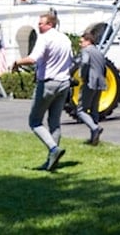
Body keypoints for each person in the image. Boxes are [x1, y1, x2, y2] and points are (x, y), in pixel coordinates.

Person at [13, 12, 73, 171]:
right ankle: (52, 161)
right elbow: (70, 60)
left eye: (42, 23)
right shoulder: (65, 39)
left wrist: (17, 62)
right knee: (54, 122)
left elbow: (33, 58)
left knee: (35, 121)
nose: (39, 26)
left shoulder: (45, 38)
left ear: (50, 24)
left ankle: (54, 149)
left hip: (48, 83)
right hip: (64, 83)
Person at [75, 31, 106, 145]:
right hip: (100, 83)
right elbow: (104, 67)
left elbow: (85, 62)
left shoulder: (86, 50)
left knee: (80, 110)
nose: (80, 44)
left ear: (88, 41)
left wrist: (82, 75)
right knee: (94, 110)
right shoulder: (99, 52)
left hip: (90, 82)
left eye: (81, 42)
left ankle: (95, 128)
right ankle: (94, 139)